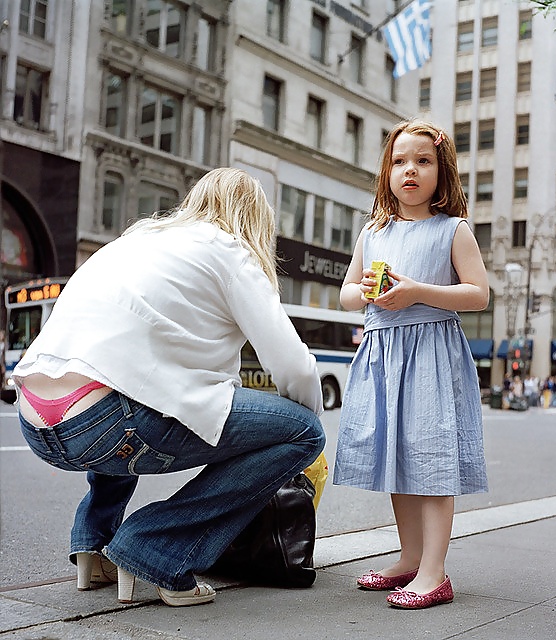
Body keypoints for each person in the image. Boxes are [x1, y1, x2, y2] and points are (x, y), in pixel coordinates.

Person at [13, 168, 325, 607]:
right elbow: (292, 367)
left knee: (126, 382)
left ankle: (93, 542)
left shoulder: (134, 240)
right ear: (254, 219)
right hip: (106, 423)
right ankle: (154, 549)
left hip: (36, 418)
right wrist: (310, 421)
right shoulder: (229, 250)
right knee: (304, 432)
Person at [333, 120, 489, 610]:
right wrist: (371, 293)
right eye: (400, 161)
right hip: (383, 354)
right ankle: (409, 557)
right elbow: (346, 294)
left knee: (431, 457)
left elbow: (478, 294)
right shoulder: (374, 232)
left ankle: (434, 572)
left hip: (430, 355)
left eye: (423, 161)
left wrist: (418, 291)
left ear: (442, 173)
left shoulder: (452, 230)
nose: (410, 170)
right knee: (399, 457)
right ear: (387, 172)